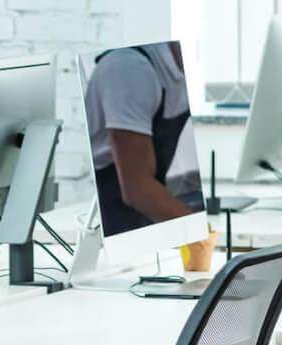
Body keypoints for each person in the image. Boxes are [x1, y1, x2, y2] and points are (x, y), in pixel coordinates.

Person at [83, 42, 205, 237]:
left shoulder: (179, 69)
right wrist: (199, 235)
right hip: (112, 214)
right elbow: (137, 189)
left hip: (143, 210)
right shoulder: (129, 69)